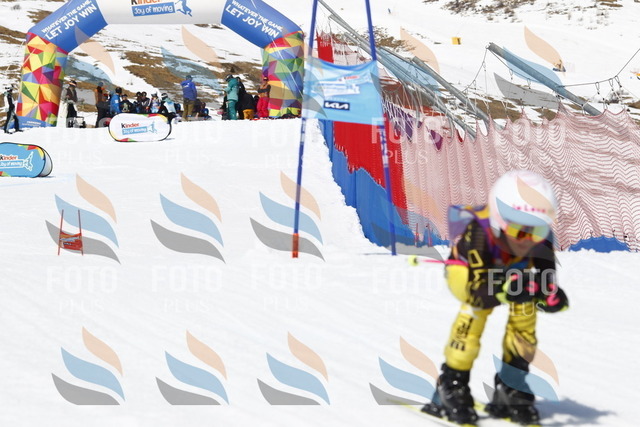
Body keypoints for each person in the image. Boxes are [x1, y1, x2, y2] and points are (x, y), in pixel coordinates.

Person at [422, 170, 569, 426]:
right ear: (498, 221)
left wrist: (549, 296)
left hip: (510, 275)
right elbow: (479, 292)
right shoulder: (479, 232)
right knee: (475, 311)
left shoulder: (542, 238)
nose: (527, 240)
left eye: (536, 230)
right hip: (467, 274)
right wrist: (510, 288)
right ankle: (452, 383)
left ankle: (512, 385)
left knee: (526, 309)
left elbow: (546, 285)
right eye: (518, 229)